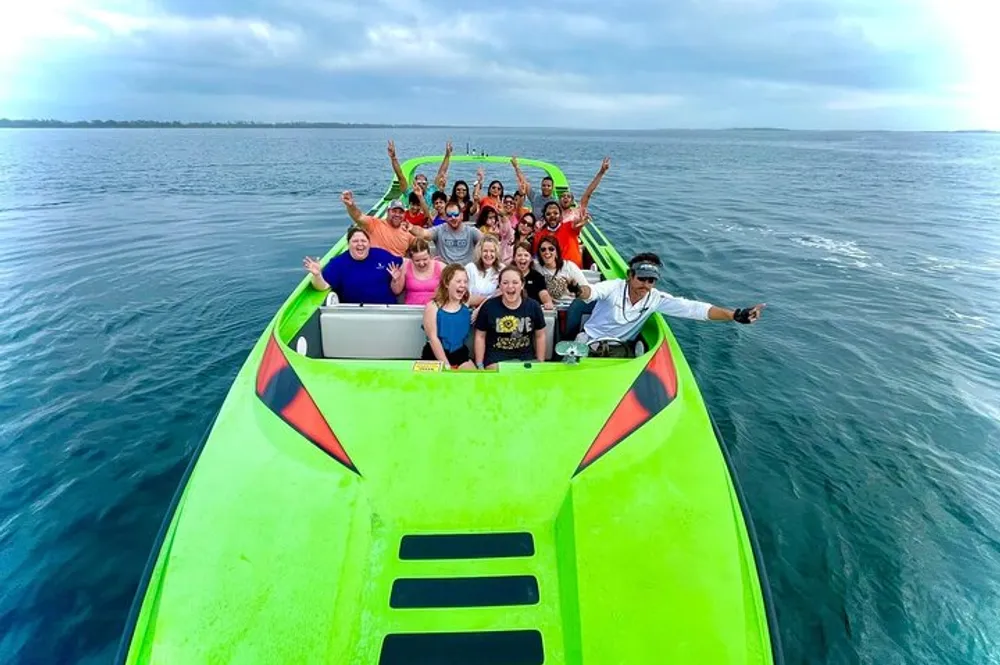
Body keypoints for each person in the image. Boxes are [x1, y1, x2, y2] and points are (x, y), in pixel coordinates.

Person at [566, 252, 765, 344]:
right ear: (630, 275)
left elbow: (694, 309)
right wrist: (578, 290)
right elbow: (591, 292)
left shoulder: (655, 299)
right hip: (589, 341)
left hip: (621, 350)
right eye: (642, 278)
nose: (646, 285)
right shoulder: (613, 287)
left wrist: (735, 315)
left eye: (651, 280)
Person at [303, 226, 403, 304]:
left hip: (386, 310)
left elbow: (403, 262)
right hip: (353, 313)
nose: (360, 244)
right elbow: (323, 286)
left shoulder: (382, 255)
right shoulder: (338, 263)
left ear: (369, 243)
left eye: (363, 241)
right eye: (355, 241)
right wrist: (317, 275)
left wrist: (398, 279)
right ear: (348, 244)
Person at [473, 266, 548, 369]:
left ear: (522, 285)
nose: (510, 286)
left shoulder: (533, 306)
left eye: (515, 282)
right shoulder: (488, 307)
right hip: (496, 360)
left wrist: (540, 363)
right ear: (499, 285)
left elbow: (540, 335)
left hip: (526, 360)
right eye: (505, 283)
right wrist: (480, 365)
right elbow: (480, 336)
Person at [421, 263, 475, 369]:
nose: (463, 285)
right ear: (446, 283)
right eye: (458, 281)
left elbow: (487, 300)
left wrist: (477, 311)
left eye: (465, 281)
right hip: (434, 354)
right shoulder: (432, 306)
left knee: (474, 379)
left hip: (459, 353)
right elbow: (433, 338)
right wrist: (446, 365)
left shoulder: (466, 302)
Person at [408, 200, 483, 266]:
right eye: (449, 215)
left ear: (461, 215)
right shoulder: (439, 230)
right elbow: (423, 233)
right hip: (445, 272)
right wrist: (410, 227)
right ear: (446, 217)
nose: (453, 218)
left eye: (456, 214)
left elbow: (488, 241)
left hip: (466, 272)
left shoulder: (471, 231)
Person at [341, 190, 411, 257]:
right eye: (394, 211)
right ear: (388, 211)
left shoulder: (407, 232)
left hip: (397, 267)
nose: (397, 215)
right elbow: (359, 217)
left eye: (400, 212)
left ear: (404, 214)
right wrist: (351, 205)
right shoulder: (374, 224)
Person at [389, 139, 452, 206]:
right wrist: (393, 158)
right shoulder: (409, 193)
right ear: (414, 184)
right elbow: (400, 176)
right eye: (419, 183)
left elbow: (441, 173)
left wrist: (447, 156)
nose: (421, 185)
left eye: (424, 183)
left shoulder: (432, 192)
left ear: (427, 185)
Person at [534, 238, 588, 303]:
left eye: (551, 249)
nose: (547, 252)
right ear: (539, 253)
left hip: (570, 305)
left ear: (557, 252)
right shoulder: (536, 267)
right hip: (549, 308)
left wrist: (575, 287)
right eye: (543, 250)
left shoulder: (569, 266)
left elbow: (586, 289)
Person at [510, 241, 554, 310]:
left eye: (526, 255)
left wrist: (547, 302)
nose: (522, 258)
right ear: (514, 258)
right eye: (519, 255)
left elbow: (543, 293)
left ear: (531, 259)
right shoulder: (508, 274)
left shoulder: (537, 276)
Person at [402, 238, 444, 305]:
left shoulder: (441, 266)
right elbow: (396, 291)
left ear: (430, 255)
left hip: (435, 308)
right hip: (411, 309)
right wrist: (397, 278)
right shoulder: (405, 266)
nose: (421, 263)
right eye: (417, 260)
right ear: (411, 259)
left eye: (425, 259)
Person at [465, 235, 503, 307]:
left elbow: (501, 296)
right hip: (470, 308)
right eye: (485, 251)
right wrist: (490, 298)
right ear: (480, 252)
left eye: (492, 251)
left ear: (496, 253)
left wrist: (480, 300)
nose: (488, 254)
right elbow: (466, 298)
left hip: (493, 308)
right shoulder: (470, 268)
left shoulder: (502, 269)